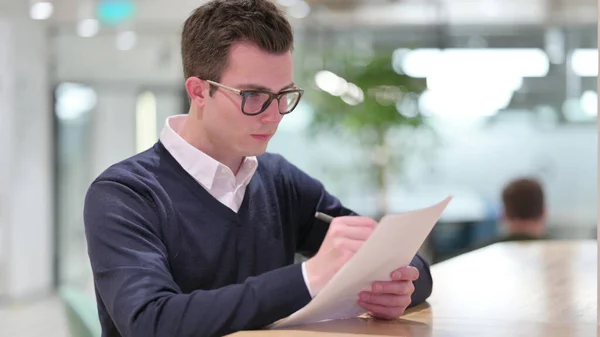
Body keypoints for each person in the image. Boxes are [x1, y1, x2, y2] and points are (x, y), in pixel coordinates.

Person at [83, 1, 433, 336]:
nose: (274, 114)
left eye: (284, 95)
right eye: (253, 95)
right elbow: (150, 323)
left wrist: (399, 287)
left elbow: (406, 263)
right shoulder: (125, 195)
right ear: (199, 91)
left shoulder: (279, 181)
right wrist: (307, 279)